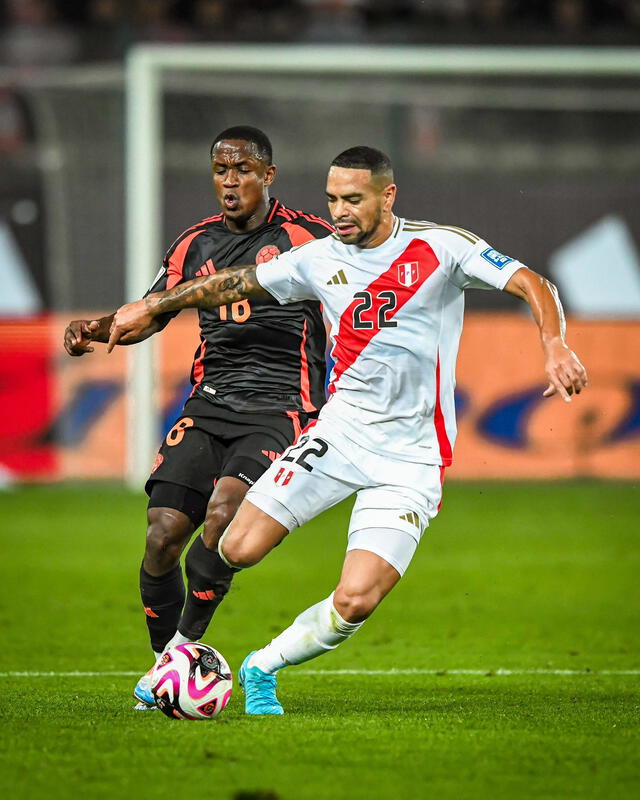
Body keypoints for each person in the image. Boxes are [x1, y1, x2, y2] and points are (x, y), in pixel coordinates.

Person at [108, 145, 588, 715]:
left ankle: (263, 666)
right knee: (235, 541)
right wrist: (154, 305)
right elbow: (232, 285)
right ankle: (179, 657)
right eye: (332, 199)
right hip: (338, 436)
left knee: (357, 601)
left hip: (411, 459)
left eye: (353, 200)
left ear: (387, 196)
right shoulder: (318, 258)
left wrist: (553, 342)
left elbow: (531, 282)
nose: (339, 211)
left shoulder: (442, 248)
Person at [63, 126, 333, 709]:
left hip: (282, 407)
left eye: (242, 170)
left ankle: (186, 646)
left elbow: (358, 293)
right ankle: (165, 673)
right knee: (161, 536)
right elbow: (151, 313)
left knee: (223, 513)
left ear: (269, 175)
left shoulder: (309, 239)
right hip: (210, 405)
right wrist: (98, 328)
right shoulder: (194, 243)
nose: (229, 181)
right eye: (220, 170)